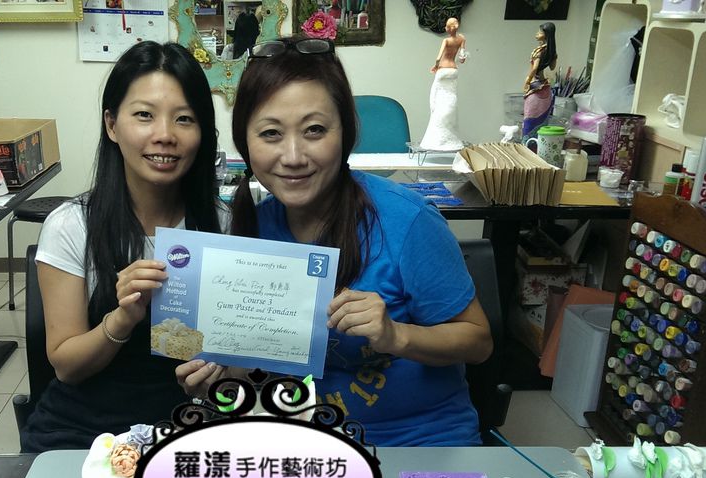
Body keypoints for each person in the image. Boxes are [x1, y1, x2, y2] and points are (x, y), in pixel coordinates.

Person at [178, 37, 493, 447]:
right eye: (270, 133)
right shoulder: (253, 229)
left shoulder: (407, 220)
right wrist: (220, 376)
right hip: (307, 444)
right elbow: (261, 364)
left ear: (345, 132)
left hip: (419, 443)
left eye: (314, 130)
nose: (293, 156)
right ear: (245, 142)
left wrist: (395, 335)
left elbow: (478, 342)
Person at [20, 41, 227, 452]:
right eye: (144, 115)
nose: (165, 135)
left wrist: (221, 369)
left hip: (187, 425)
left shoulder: (223, 224)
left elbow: (238, 351)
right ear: (112, 125)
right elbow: (66, 367)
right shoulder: (72, 225)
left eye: (184, 119)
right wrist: (122, 318)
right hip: (84, 431)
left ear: (203, 132)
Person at [418, 17, 467, 152]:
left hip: (443, 69)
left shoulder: (446, 41)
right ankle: (449, 133)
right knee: (451, 96)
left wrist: (435, 66)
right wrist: (461, 58)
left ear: (449, 28)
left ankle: (436, 136)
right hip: (453, 70)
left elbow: (438, 57)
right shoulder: (461, 39)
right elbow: (462, 57)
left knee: (436, 97)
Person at [523, 22, 558, 141]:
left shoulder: (539, 51)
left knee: (529, 120)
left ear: (546, 35)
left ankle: (528, 144)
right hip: (545, 87)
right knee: (543, 121)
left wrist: (527, 80)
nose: (537, 34)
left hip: (535, 88)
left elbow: (535, 68)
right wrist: (553, 55)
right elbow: (552, 67)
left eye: (540, 32)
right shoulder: (550, 51)